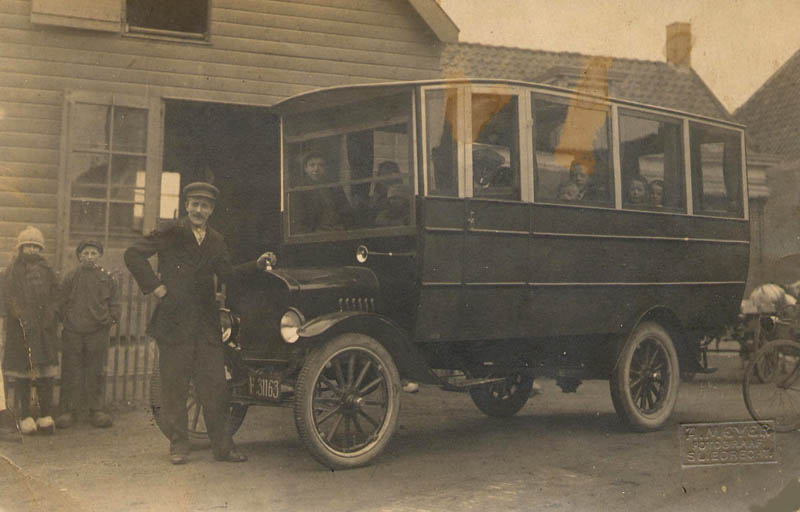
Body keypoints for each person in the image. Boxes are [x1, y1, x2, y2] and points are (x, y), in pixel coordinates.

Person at [124, 182, 275, 465]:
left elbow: (228, 274)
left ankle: (223, 447)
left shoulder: (216, 240)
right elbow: (133, 254)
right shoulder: (171, 231)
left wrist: (255, 265)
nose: (198, 210)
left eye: (204, 206)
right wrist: (156, 287)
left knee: (215, 386)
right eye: (194, 204)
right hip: (175, 321)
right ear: (186, 206)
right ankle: (179, 445)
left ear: (211, 210)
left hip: (206, 324)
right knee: (175, 386)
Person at [1, 226, 59, 435]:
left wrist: (50, 314)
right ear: (21, 248)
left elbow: (56, 295)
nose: (32, 250)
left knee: (45, 373)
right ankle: (25, 416)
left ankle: (45, 415)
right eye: (28, 246)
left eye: (35, 246)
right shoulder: (12, 271)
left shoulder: (47, 270)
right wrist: (20, 315)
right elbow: (8, 297)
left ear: (40, 249)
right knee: (23, 374)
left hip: (44, 330)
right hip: (21, 329)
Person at [56, 240, 120, 429]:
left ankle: (96, 410)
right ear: (79, 256)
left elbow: (115, 303)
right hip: (73, 331)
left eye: (93, 253)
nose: (89, 257)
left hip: (98, 331)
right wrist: (67, 320)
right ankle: (69, 410)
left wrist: (110, 319)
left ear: (99, 256)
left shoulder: (106, 278)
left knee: (95, 370)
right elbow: (61, 302)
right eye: (86, 253)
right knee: (71, 370)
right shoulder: (71, 277)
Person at [293, 152, 351, 233]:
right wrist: (315, 232)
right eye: (312, 165)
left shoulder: (334, 186)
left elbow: (346, 211)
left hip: (338, 231)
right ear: (306, 168)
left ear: (325, 168)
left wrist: (343, 227)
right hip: (315, 233)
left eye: (321, 165)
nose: (316, 169)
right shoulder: (300, 190)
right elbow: (299, 222)